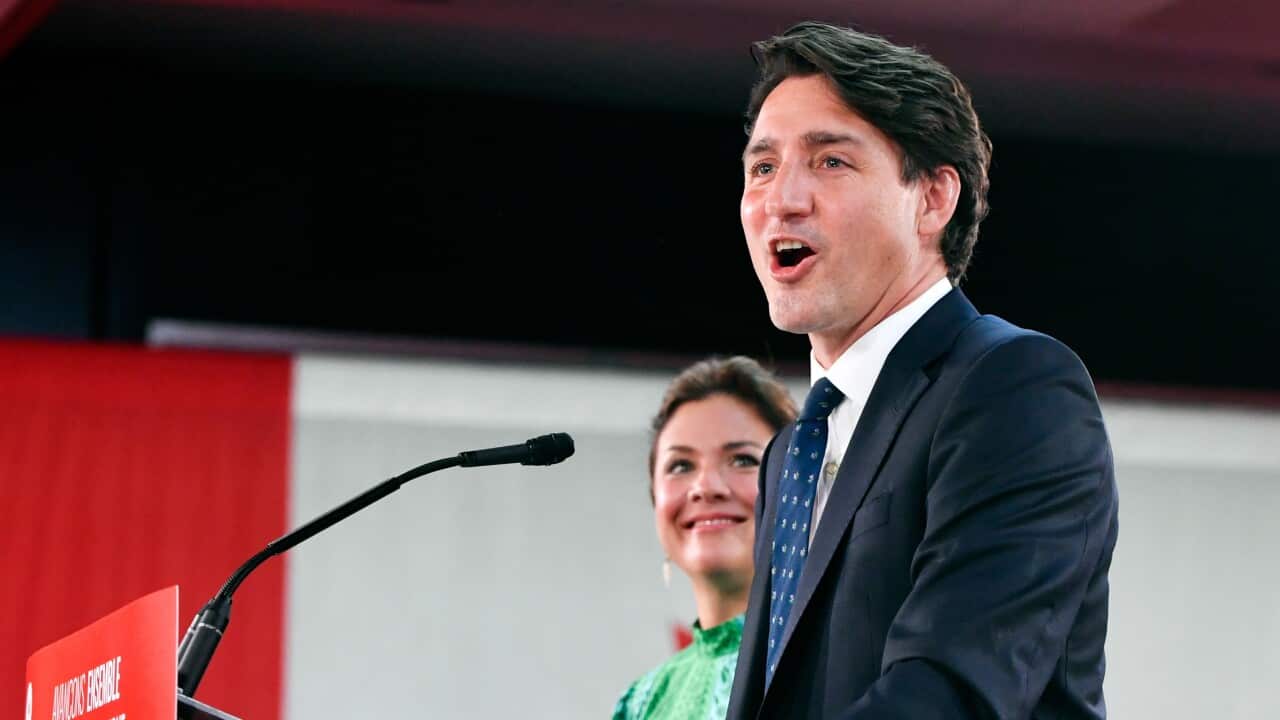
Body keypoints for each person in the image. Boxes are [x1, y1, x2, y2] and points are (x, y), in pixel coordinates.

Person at [725, 21, 1120, 719]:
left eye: (829, 162)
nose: (780, 200)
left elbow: (949, 693)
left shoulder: (1014, 388)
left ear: (934, 198)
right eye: (762, 167)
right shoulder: (792, 451)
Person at [613, 356, 798, 720]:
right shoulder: (642, 702)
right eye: (681, 465)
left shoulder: (836, 661)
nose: (705, 487)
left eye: (742, 460)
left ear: (797, 489)